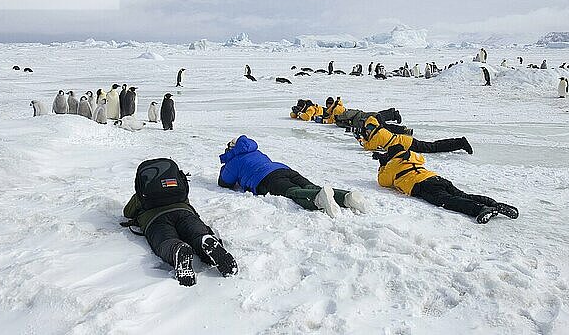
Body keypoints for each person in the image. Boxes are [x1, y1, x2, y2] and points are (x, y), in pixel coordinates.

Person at [123, 158, 238, 286]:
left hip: (155, 220)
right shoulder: (175, 184)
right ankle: (204, 241)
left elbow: (127, 213)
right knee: (195, 233)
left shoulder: (143, 194)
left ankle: (177, 249)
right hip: (184, 212)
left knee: (166, 240)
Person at [218, 135, 367, 217]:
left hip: (266, 179)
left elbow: (225, 182)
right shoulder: (256, 152)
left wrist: (227, 163)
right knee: (311, 186)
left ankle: (318, 199)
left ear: (232, 149)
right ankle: (347, 197)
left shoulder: (234, 161)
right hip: (284, 169)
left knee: (292, 192)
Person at [372, 144, 519, 223]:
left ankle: (480, 209)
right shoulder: (414, 157)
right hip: (436, 178)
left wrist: (383, 164)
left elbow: (383, 182)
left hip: (421, 185)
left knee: (449, 201)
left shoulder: (392, 165)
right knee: (462, 194)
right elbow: (420, 158)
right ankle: (493, 204)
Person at [357, 115, 473, 154]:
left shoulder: (377, 135)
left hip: (407, 144)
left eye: (367, 129)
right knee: (432, 146)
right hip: (405, 141)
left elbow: (369, 147)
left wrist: (361, 140)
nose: (366, 131)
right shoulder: (380, 130)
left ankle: (460, 143)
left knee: (433, 147)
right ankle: (459, 142)